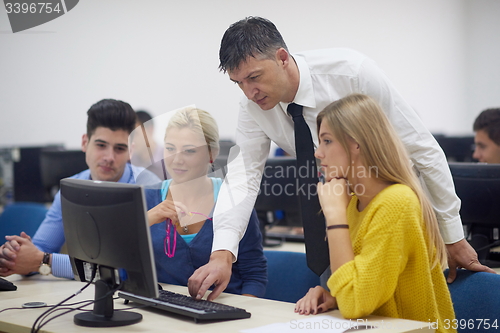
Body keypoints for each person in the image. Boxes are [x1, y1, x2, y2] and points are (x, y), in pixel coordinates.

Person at [188, 16, 494, 301]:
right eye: (238, 83)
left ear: (282, 58)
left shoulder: (352, 73)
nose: (249, 92)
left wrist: (452, 236)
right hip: (337, 222)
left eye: (254, 77)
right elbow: (242, 179)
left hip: (391, 215)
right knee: (348, 303)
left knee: (396, 307)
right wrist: (221, 255)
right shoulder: (253, 108)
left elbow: (422, 150)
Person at [294, 94, 456, 332]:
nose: (318, 153)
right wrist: (334, 295)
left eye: (327, 141)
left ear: (356, 144)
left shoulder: (396, 203)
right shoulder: (356, 203)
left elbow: (355, 304)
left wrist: (335, 217)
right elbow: (365, 288)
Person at [0, 99, 146, 278]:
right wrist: (15, 256)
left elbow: (123, 271)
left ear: (130, 152)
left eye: (120, 149)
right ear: (85, 143)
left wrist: (44, 261)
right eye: (101, 145)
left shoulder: (147, 188)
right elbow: (41, 249)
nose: (109, 157)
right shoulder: (70, 190)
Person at [144, 106, 267, 297]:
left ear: (212, 153)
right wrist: (145, 220)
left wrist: (241, 317)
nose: (176, 160)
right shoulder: (147, 198)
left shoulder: (234, 200)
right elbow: (121, 263)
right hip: (165, 312)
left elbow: (254, 275)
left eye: (189, 151)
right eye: (170, 149)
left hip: (223, 311)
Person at [131, 109, 169, 180]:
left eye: (136, 134)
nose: (132, 141)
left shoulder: (170, 160)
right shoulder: (130, 161)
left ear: (150, 130)